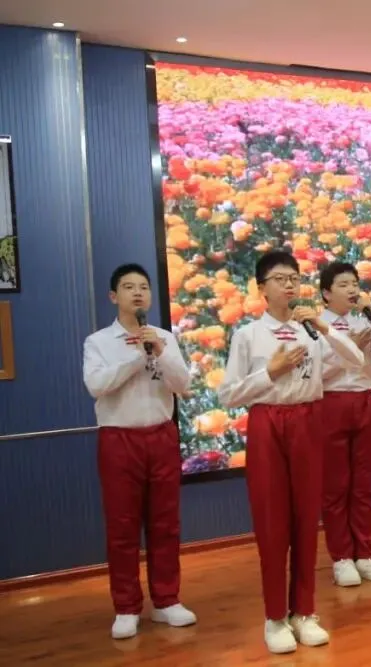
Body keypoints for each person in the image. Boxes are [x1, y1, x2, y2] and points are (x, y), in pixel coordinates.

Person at [218, 251, 366, 654]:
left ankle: (304, 612)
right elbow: (228, 394)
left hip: (308, 421)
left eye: (294, 278)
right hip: (268, 422)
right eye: (280, 279)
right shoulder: (249, 335)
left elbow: (356, 360)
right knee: (272, 521)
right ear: (261, 289)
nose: (289, 285)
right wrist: (271, 371)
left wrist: (322, 325)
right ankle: (275, 618)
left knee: (305, 518)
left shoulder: (309, 330)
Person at [82, 263, 197, 639]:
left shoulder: (163, 337)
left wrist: (160, 352)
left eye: (143, 287)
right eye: (129, 287)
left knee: (166, 524)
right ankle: (127, 606)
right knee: (122, 526)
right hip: (119, 440)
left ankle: (166, 600)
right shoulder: (98, 342)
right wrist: (137, 359)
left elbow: (183, 385)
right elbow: (97, 385)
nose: (137, 293)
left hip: (161, 436)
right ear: (113, 296)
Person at [317, 262, 371, 587]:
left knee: (363, 483)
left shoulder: (363, 320)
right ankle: (342, 558)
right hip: (331, 402)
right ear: (326, 293)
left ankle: (365, 554)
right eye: (343, 284)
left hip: (363, 401)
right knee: (335, 486)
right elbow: (316, 374)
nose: (352, 290)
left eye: (354, 283)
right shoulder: (317, 326)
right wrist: (348, 348)